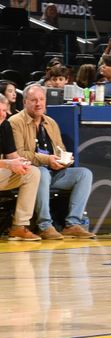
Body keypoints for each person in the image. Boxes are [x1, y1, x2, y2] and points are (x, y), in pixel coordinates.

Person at [9, 85, 95, 239]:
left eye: (42, 99)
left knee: (84, 174)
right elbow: (19, 154)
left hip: (53, 171)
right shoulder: (15, 122)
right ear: (25, 102)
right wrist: (46, 160)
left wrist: (64, 160)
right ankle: (45, 225)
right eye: (34, 100)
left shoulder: (50, 123)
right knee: (41, 172)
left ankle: (73, 223)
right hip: (30, 172)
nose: (38, 104)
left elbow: (59, 148)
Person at [0, 95, 41, 240]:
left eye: (4, 110)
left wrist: (20, 163)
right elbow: (7, 162)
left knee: (32, 173)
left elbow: (12, 156)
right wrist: (7, 164)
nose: (2, 114)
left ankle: (19, 226)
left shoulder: (4, 125)